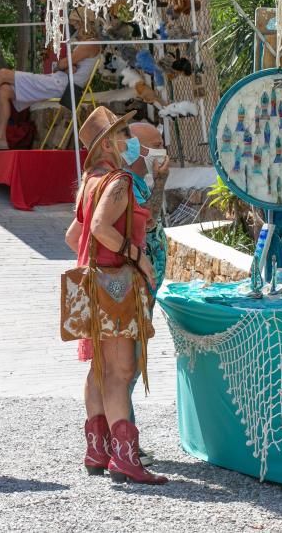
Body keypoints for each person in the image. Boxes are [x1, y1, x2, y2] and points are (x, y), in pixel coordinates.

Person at [63, 106, 168, 485]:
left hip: (93, 285)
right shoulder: (119, 181)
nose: (130, 141)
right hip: (117, 286)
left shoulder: (90, 181)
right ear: (109, 142)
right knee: (121, 372)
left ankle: (98, 449)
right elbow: (103, 229)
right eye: (123, 134)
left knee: (101, 369)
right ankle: (125, 459)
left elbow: (74, 237)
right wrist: (136, 254)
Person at [0, 24, 102, 154]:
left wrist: (65, 65)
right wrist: (66, 65)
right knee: (4, 90)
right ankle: (0, 138)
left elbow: (61, 64)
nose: (75, 30)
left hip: (61, 84)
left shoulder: (90, 44)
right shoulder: (88, 45)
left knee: (2, 74)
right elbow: (64, 65)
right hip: (59, 82)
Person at [125, 121, 171, 466]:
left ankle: (118, 436)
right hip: (132, 286)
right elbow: (149, 220)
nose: (162, 149)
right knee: (126, 366)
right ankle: (122, 437)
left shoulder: (138, 182)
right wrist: (163, 182)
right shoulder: (130, 185)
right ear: (136, 149)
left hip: (144, 286)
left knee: (128, 365)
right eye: (156, 143)